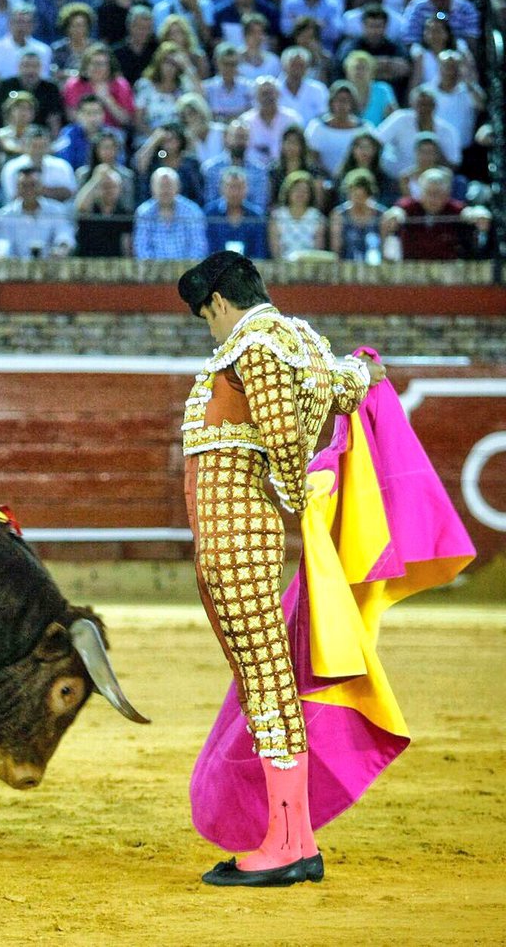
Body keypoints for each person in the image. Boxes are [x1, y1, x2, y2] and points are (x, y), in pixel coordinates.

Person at [177, 249, 383, 887]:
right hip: (237, 535)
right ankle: (291, 837)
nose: (206, 328)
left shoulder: (258, 338)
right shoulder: (293, 341)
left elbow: (283, 433)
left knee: (266, 682)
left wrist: (295, 494)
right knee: (263, 681)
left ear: (217, 301)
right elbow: (344, 383)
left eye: (202, 315)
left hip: (239, 536)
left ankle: (290, 845)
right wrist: (360, 373)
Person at [380, 166, 489, 261]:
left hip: (448, 273)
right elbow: (396, 211)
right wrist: (394, 215)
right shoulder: (409, 206)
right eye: (429, 193)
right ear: (421, 193)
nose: (433, 199)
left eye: (438, 194)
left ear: (447, 194)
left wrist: (478, 214)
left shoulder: (453, 208)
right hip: (412, 272)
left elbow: (469, 213)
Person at [0, 164, 75, 258]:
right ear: (17, 187)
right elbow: (3, 245)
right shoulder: (6, 214)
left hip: (50, 265)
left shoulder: (57, 210)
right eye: (24, 186)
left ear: (41, 186)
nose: (29, 190)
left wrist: (61, 250)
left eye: (33, 185)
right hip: (15, 267)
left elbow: (65, 236)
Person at [133, 166, 207, 260]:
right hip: (153, 272)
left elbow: (198, 248)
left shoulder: (193, 211)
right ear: (152, 188)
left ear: (178, 187)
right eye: (161, 186)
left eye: (169, 185)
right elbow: (142, 248)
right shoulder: (144, 212)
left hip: (187, 270)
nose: (165, 190)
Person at [61, 43, 134, 130]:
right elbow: (71, 116)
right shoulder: (74, 84)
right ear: (86, 66)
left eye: (103, 64)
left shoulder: (120, 84)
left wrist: (107, 98)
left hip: (111, 132)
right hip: (81, 130)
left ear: (110, 66)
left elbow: (125, 120)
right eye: (94, 63)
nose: (98, 68)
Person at [0, 49, 63, 133]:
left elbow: (54, 118)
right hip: (9, 133)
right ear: (18, 67)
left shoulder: (50, 88)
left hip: (40, 136)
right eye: (26, 66)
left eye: (35, 66)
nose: (30, 70)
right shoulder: (5, 85)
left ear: (41, 68)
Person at [0, 125, 76, 204]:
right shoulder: (12, 167)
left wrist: (36, 191)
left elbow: (70, 193)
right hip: (21, 215)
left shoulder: (62, 166)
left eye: (42, 146)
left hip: (57, 213)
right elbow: (12, 197)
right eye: (34, 146)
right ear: (25, 145)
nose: (38, 151)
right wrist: (51, 191)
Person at [303, 81, 365, 177]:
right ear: (331, 102)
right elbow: (311, 157)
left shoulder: (364, 129)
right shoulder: (317, 127)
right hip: (323, 179)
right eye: (338, 100)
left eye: (346, 101)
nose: (342, 105)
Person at [0, 3, 53, 84]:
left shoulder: (44, 50)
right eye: (18, 22)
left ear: (33, 25)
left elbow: (43, 79)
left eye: (27, 22)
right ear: (9, 23)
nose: (22, 26)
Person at [73, 163, 131, 257]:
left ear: (119, 189)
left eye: (112, 187)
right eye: (105, 187)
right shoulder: (90, 209)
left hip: (115, 264)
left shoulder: (123, 214)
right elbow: (79, 206)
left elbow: (126, 245)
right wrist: (96, 179)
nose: (109, 191)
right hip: (87, 262)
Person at [328, 167, 385, 261]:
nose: (358, 200)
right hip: (347, 267)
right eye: (355, 195)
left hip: (374, 267)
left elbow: (384, 246)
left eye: (362, 196)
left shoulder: (381, 214)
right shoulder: (339, 214)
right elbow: (336, 249)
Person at [269, 169, 325, 258]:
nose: (300, 194)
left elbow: (318, 249)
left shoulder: (317, 216)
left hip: (309, 264)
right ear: (288, 192)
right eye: (296, 190)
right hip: (283, 265)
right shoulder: (277, 216)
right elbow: (275, 250)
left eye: (304, 191)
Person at [203, 42, 253, 123]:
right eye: (226, 64)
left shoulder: (248, 87)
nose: (229, 68)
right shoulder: (207, 88)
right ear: (217, 63)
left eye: (233, 64)